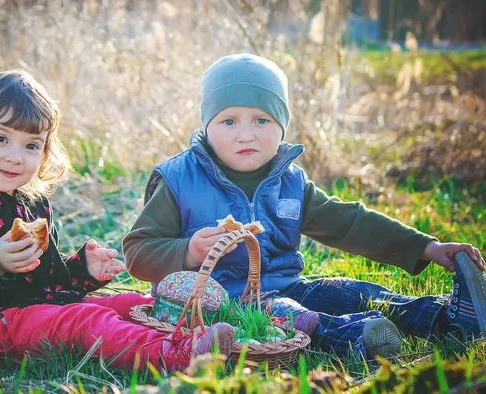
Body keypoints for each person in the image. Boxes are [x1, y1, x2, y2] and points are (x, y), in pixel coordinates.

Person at [123, 53, 486, 359]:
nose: (246, 134)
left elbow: (348, 223)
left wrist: (427, 247)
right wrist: (188, 250)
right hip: (221, 307)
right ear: (207, 125)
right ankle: (354, 338)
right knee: (289, 315)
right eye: (229, 121)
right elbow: (138, 252)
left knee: (352, 291)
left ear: (282, 126)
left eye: (261, 120)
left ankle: (444, 317)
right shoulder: (179, 180)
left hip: (287, 285)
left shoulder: (290, 181)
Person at [0, 69, 235, 372]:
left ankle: (206, 334)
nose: (15, 156)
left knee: (127, 304)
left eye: (30, 145)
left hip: (40, 311)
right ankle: (177, 355)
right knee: (85, 322)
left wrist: (82, 269)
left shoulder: (32, 201)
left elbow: (47, 284)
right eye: (1, 138)